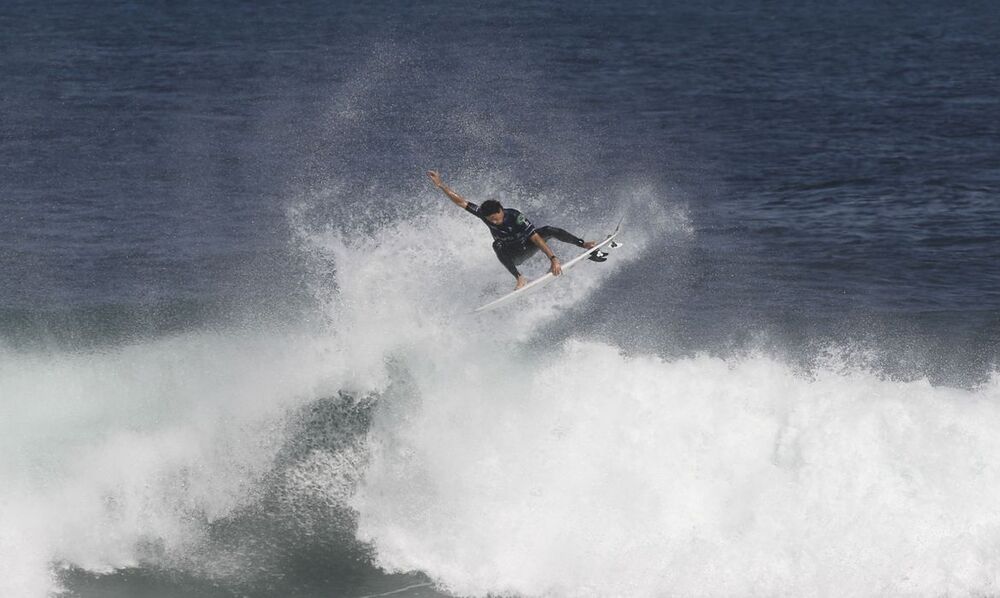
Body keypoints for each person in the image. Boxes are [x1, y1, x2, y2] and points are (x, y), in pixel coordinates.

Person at [428, 170, 601, 290]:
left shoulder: (515, 216)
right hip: (512, 254)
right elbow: (461, 202)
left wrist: (553, 259)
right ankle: (519, 277)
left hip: (528, 246)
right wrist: (441, 185)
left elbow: (535, 238)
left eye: (497, 218)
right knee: (497, 245)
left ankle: (583, 244)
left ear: (501, 210)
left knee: (548, 229)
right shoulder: (483, 213)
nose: (495, 222)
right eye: (491, 220)